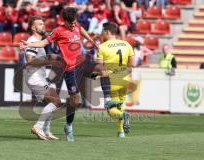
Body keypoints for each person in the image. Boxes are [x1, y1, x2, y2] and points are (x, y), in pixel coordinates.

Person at [20, 7, 122, 142]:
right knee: (75, 100)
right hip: (70, 70)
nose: (73, 24)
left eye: (74, 22)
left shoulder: (76, 24)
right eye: (71, 23)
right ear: (65, 21)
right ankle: (68, 126)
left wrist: (92, 42)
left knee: (103, 69)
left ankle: (107, 100)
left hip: (82, 63)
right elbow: (44, 42)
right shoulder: (58, 31)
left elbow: (81, 30)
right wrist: (29, 44)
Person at [24, 16, 63, 141]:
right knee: (56, 101)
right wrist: (47, 61)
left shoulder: (39, 42)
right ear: (33, 27)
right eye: (40, 24)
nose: (43, 26)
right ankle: (38, 127)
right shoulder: (32, 41)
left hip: (38, 78)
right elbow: (29, 60)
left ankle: (46, 131)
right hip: (35, 79)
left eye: (43, 23)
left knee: (52, 102)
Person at [97, 22, 136, 138]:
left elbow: (100, 67)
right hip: (124, 80)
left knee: (111, 109)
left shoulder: (102, 47)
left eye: (103, 32)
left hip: (111, 81)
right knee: (120, 105)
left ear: (108, 32)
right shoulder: (126, 44)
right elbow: (133, 64)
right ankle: (121, 132)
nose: (102, 34)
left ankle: (123, 116)